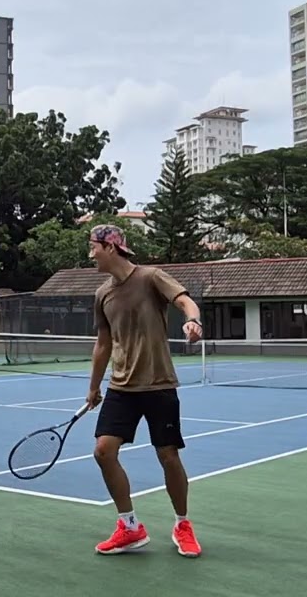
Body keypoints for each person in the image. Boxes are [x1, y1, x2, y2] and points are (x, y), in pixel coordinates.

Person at [84, 224, 204, 558]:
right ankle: (130, 526)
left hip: (159, 383)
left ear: (110, 247)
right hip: (121, 386)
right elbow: (103, 344)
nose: (90, 253)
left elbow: (185, 302)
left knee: (168, 456)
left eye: (93, 246)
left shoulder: (151, 277)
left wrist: (193, 321)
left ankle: (182, 524)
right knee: (103, 452)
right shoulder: (102, 294)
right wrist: (94, 388)